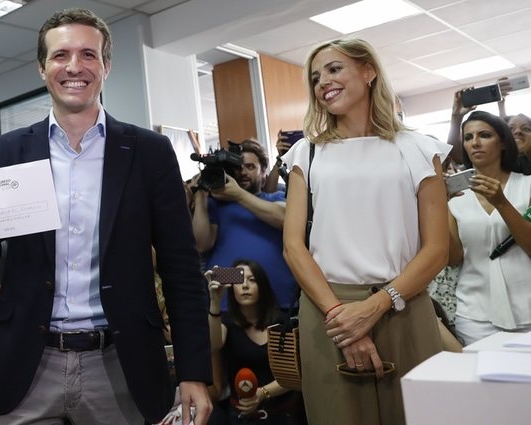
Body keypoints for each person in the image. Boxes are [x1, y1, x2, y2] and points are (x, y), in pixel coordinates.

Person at [0, 8, 211, 425]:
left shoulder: (149, 153)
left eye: (89, 55)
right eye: (61, 55)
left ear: (107, 66)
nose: (74, 67)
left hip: (123, 362)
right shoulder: (8, 151)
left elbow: (182, 270)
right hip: (27, 360)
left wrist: (193, 372)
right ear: (43, 68)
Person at [281, 38, 450, 425]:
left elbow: (436, 249)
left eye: (334, 69)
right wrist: (342, 318)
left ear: (368, 72)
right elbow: (293, 247)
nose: (323, 81)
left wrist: (375, 307)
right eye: (315, 77)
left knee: (418, 415)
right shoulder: (305, 154)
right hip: (328, 311)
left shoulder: (421, 149)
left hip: (403, 305)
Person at [447, 111, 531, 345]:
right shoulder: (455, 196)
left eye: (484, 135)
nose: (475, 143)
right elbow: (453, 258)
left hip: (527, 309)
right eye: (468, 137)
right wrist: (439, 207)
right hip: (475, 315)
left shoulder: (528, 186)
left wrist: (502, 203)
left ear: (503, 142)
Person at [192, 139, 297, 311]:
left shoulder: (275, 198)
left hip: (278, 300)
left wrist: (239, 195)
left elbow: (286, 219)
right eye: (238, 167)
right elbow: (201, 245)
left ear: (263, 172)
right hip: (227, 306)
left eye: (250, 167)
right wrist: (201, 197)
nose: (243, 172)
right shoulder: (216, 205)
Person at [206, 260, 304, 425]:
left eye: (252, 280)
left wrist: (262, 393)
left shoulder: (282, 322)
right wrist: (215, 302)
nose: (245, 286)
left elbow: (294, 375)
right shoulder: (227, 323)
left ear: (262, 286)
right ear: (232, 288)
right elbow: (214, 344)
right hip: (240, 416)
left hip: (281, 413)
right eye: (240, 280)